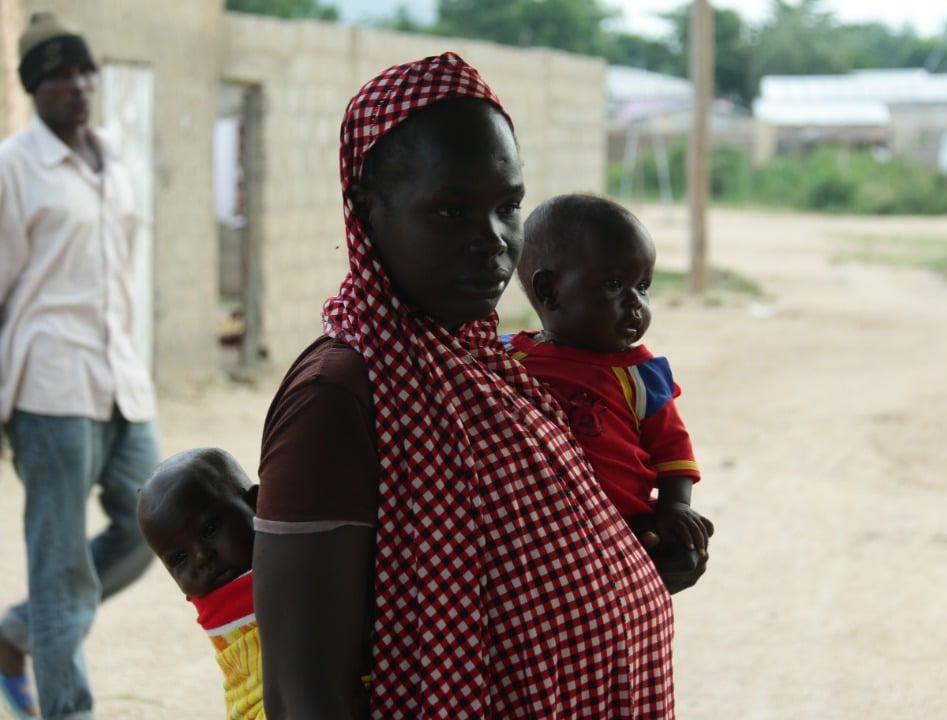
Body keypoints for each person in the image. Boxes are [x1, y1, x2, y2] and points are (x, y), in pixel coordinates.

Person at [253, 52, 688, 719]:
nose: (493, 242)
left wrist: (640, 571)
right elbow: (303, 696)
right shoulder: (340, 395)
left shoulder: (494, 367)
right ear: (368, 212)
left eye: (508, 206)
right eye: (451, 212)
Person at [0, 12, 159, 720]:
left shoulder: (113, 158)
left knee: (150, 522)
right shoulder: (13, 168)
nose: (77, 85)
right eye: (60, 75)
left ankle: (15, 632)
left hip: (121, 379)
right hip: (49, 385)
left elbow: (122, 276)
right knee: (60, 565)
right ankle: (69, 711)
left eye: (84, 71)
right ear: (34, 87)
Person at [504, 193, 713, 573]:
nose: (636, 303)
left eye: (643, 287)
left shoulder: (641, 375)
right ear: (550, 290)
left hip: (626, 534)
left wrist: (675, 505)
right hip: (539, 540)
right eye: (615, 284)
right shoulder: (505, 361)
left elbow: (673, 451)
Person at [136, 448, 263, 720]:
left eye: (209, 530)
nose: (201, 557)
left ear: (257, 504)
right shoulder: (288, 572)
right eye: (179, 558)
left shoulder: (291, 562)